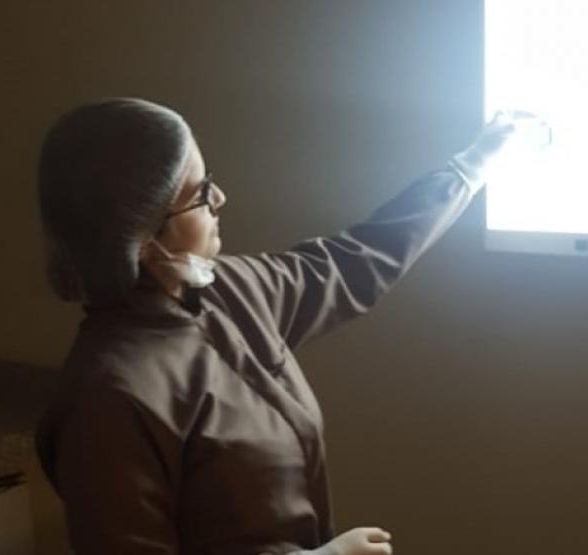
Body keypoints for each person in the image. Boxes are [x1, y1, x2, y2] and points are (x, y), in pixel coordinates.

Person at [34, 97, 543, 555]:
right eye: (201, 191)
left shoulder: (228, 290)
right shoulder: (108, 400)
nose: (221, 200)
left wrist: (473, 165)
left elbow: (353, 261)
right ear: (142, 238)